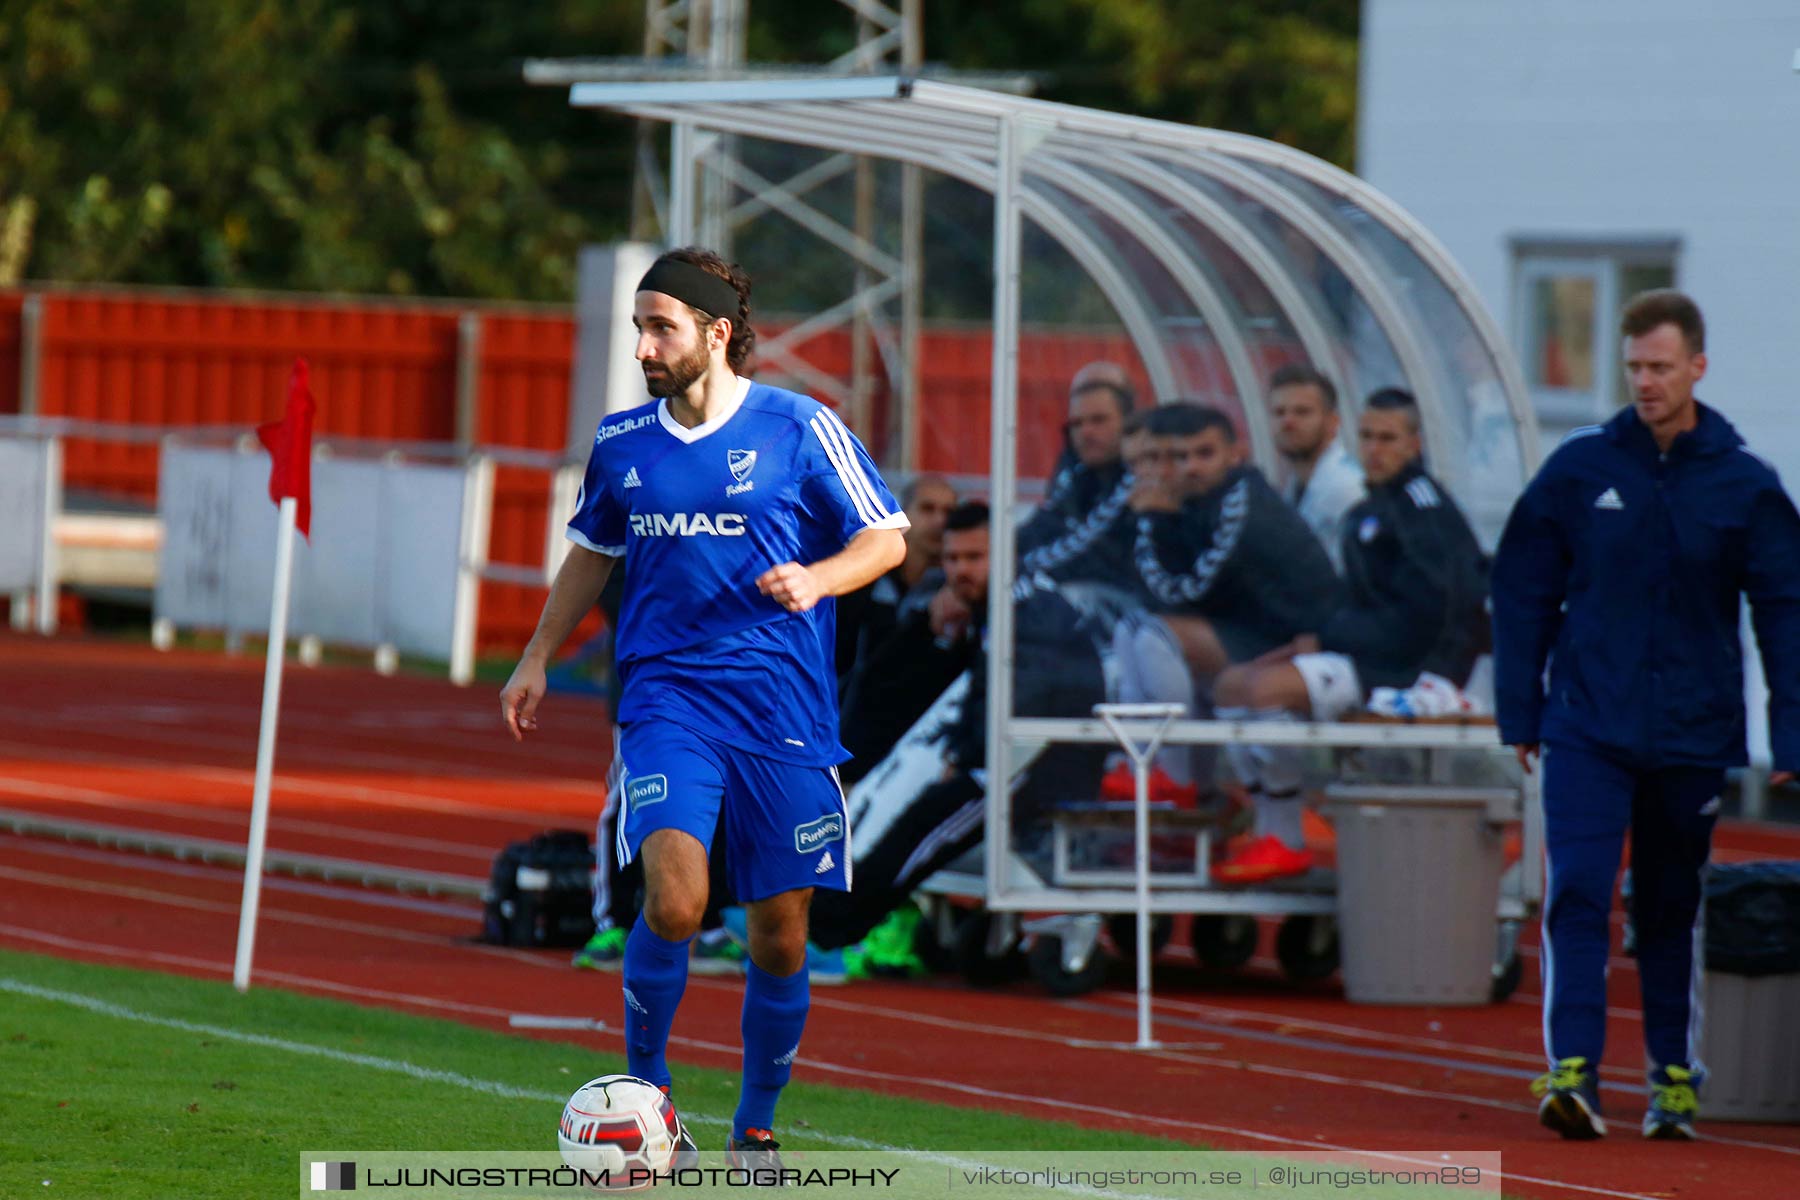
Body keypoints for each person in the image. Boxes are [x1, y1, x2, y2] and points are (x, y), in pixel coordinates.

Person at [499, 246, 908, 1168]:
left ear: (717, 334)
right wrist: (535, 657)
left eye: (660, 327)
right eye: (639, 326)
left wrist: (817, 576)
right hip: (665, 700)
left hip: (783, 713)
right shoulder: (621, 443)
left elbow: (884, 539)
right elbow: (592, 552)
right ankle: (653, 1103)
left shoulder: (803, 429)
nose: (644, 345)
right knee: (676, 902)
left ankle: (756, 1125)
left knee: (779, 930)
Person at [1491, 289, 1800, 1142]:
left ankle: (1672, 1078)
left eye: (1661, 367)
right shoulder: (1581, 468)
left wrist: (1791, 731)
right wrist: (1521, 709)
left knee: (1667, 908)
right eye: (1633, 368)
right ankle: (1573, 1075)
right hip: (1586, 723)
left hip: (1693, 732)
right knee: (1579, 892)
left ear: (1698, 367)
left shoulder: (1745, 484)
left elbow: (1785, 609)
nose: (1646, 383)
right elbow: (1522, 587)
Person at [1211, 388, 1488, 883]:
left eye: (1388, 438)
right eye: (1368, 437)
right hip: (1362, 653)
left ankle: (1285, 836)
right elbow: (1357, 602)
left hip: (1403, 670)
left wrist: (1431, 676)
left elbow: (1439, 607)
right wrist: (1318, 635)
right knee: (1231, 683)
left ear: (1414, 444)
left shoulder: (1421, 508)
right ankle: (1269, 826)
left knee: (1263, 691)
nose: (1375, 449)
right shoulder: (1369, 509)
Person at [811, 501, 1108, 952]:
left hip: (1032, 764)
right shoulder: (994, 605)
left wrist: (964, 756)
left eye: (974, 558)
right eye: (952, 559)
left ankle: (829, 934)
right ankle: (830, 926)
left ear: (1004, 555)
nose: (960, 571)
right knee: (907, 819)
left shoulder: (1028, 612)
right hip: (998, 757)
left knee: (918, 834)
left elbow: (1025, 698)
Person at [1016, 362, 1141, 590]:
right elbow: (1044, 524)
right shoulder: (1077, 472)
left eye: (1099, 420)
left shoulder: (1147, 475)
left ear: (1129, 421)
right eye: (1076, 424)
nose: (1085, 432)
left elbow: (1104, 557)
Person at [834, 474, 956, 680]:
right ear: (904, 513)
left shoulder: (959, 589)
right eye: (928, 508)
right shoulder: (865, 577)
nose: (940, 521)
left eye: (949, 512)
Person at [1269, 364, 1363, 570]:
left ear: (1333, 422)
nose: (1288, 422)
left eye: (1302, 412)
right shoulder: (1295, 484)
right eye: (1279, 412)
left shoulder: (1347, 488)